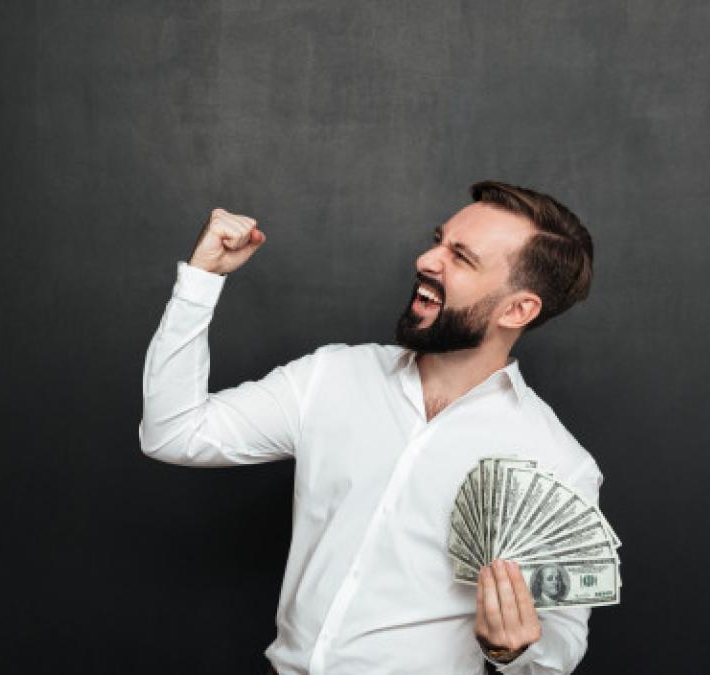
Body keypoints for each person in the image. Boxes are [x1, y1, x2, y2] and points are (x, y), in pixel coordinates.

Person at [138, 181, 603, 674]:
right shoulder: (333, 376)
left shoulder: (556, 463)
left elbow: (557, 655)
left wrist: (513, 650)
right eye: (438, 240)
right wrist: (202, 279)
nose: (426, 260)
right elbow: (174, 433)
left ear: (518, 309)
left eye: (461, 257)